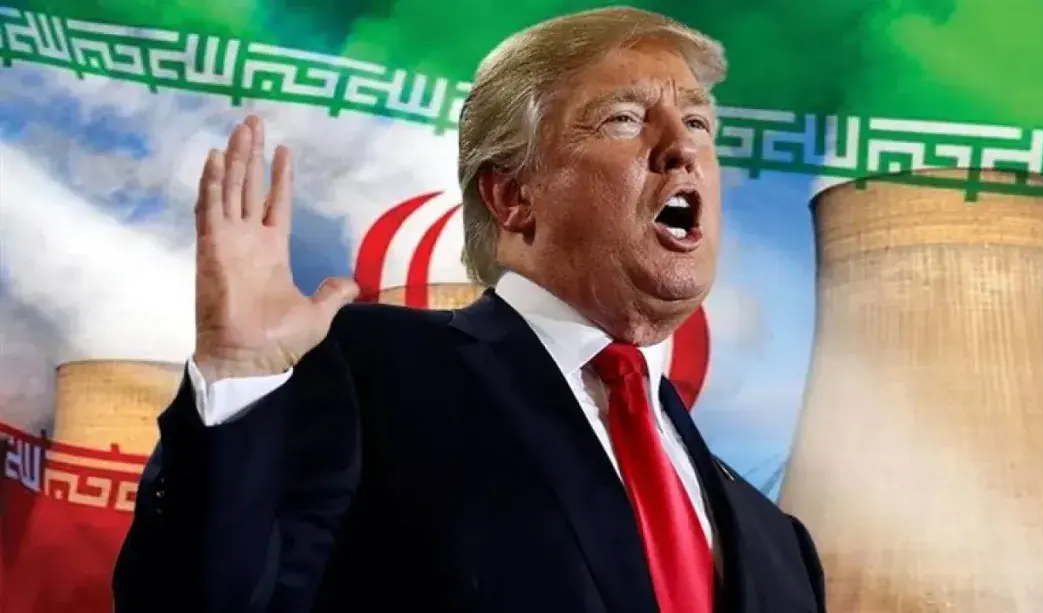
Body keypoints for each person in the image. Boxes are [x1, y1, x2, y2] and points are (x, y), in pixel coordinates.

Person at [113, 7, 825, 613]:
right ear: (512, 196)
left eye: (697, 121)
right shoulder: (366, 369)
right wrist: (239, 383)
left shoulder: (778, 542)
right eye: (624, 118)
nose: (683, 148)